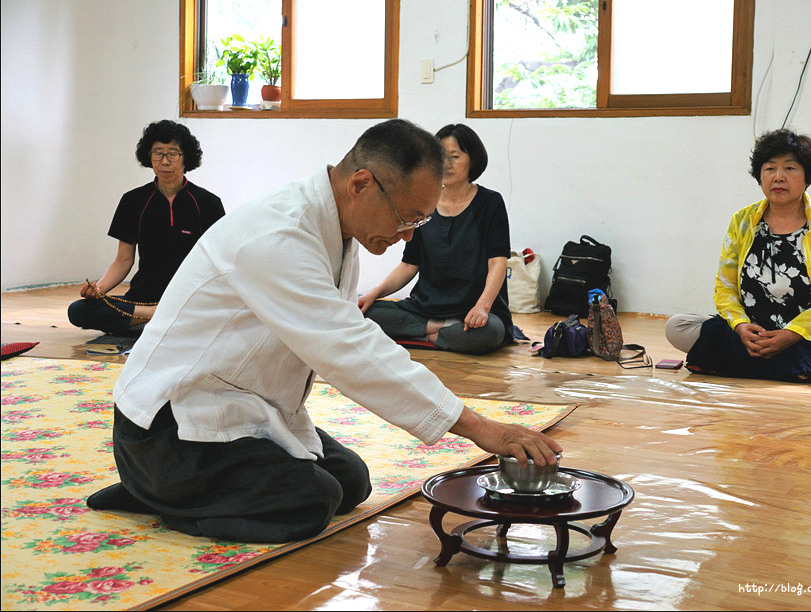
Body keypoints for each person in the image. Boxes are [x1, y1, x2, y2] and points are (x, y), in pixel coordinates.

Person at [85, 119, 561, 543]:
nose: (410, 235)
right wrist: (479, 428)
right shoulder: (278, 236)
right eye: (407, 218)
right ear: (361, 184)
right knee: (309, 502)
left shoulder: (335, 227)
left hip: (239, 406)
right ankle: (162, 493)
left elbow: (348, 333)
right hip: (168, 424)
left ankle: (173, 488)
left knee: (351, 482)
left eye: (421, 221)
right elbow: (348, 348)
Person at [665, 129, 811, 377]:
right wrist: (741, 326)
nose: (778, 177)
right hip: (752, 331)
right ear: (760, 176)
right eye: (769, 169)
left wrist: (791, 334)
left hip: (807, 333)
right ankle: (795, 365)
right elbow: (725, 288)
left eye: (790, 168)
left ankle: (747, 361)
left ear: (807, 177)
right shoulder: (743, 220)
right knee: (676, 326)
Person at [358, 123, 513, 354]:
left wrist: (483, 306)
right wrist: (374, 293)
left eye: (455, 156)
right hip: (426, 308)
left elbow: (498, 262)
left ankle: (424, 331)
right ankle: (441, 330)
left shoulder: (490, 203)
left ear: (473, 159)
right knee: (368, 313)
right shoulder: (425, 202)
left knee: (490, 331)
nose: (446, 165)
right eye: (441, 156)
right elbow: (409, 265)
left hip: (473, 311)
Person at [67, 120, 225, 337]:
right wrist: (99, 289)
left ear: (185, 157)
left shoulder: (208, 203)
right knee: (78, 310)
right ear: (149, 158)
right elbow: (123, 260)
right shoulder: (133, 201)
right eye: (158, 153)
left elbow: (217, 260)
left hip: (188, 297)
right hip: (143, 298)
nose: (165, 161)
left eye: (173, 153)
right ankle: (158, 317)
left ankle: (145, 322)